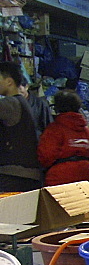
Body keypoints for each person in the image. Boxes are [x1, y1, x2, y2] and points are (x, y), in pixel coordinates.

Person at [37, 90, 89, 187]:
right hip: (85, 176)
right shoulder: (86, 131)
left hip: (59, 177)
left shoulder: (54, 129)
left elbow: (45, 155)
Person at [0, 61, 42, 191]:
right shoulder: (22, 102)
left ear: (9, 81)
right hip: (27, 174)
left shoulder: (10, 104)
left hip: (14, 175)